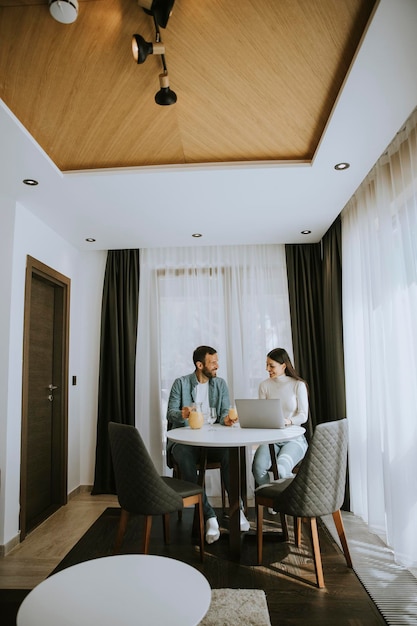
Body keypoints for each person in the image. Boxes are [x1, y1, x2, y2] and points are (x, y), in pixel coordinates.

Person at [166, 345, 250, 544]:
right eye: (213, 362)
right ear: (199, 364)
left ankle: (236, 511)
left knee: (231, 453)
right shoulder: (181, 383)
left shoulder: (220, 384)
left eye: (216, 362)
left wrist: (227, 421)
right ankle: (209, 515)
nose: (217, 366)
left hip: (212, 443)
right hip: (186, 442)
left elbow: (222, 415)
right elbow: (170, 413)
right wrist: (182, 414)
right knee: (183, 456)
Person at [252, 348, 309, 495]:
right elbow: (261, 413)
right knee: (257, 468)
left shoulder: (298, 385)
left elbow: (303, 416)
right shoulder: (264, 386)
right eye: (267, 365)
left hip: (294, 439)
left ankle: (294, 499)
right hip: (271, 439)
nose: (267, 369)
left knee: (282, 470)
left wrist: (288, 421)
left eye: (271, 366)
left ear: (283, 366)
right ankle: (275, 500)